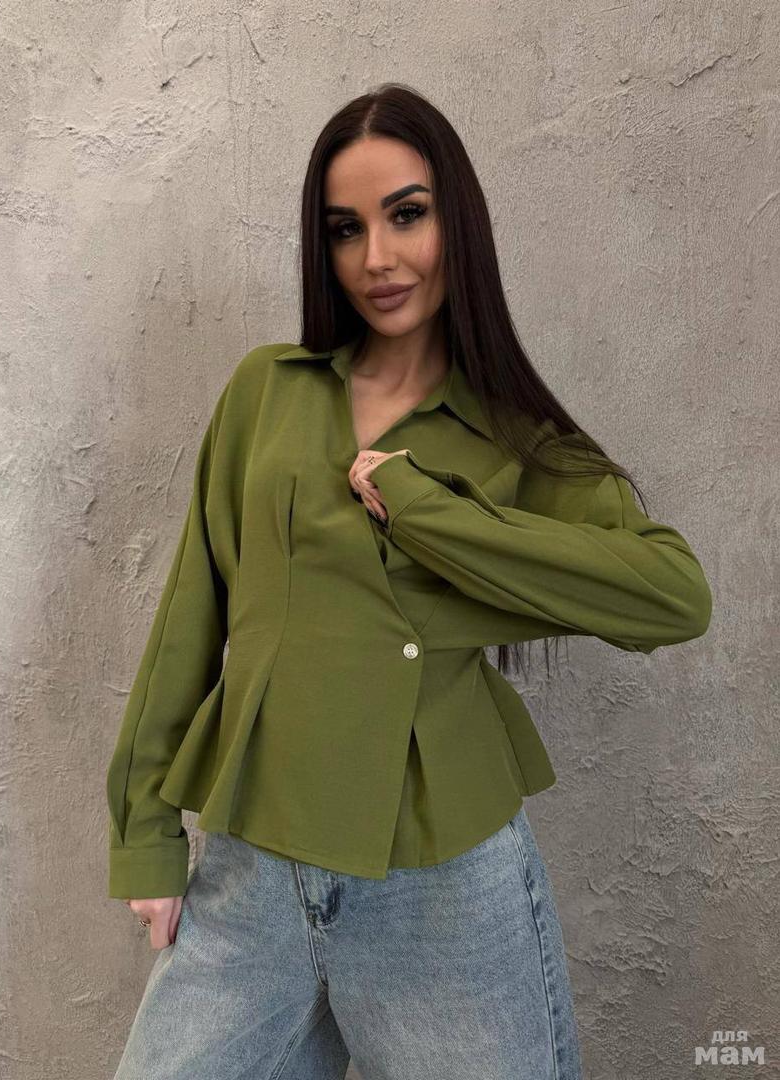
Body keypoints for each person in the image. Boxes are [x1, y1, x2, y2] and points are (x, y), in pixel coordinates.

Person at [107, 83, 713, 1080]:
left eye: (407, 215)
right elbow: (190, 618)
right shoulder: (267, 391)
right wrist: (144, 837)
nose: (376, 258)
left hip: (446, 893)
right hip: (253, 875)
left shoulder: (517, 437)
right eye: (345, 229)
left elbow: (672, 595)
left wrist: (427, 512)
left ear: (455, 220)